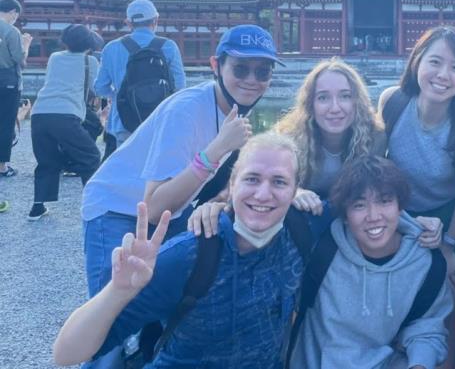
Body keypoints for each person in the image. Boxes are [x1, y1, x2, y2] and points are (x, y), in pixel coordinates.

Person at [54, 132, 327, 368]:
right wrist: (117, 291)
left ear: (295, 191)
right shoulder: (188, 255)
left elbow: (361, 208)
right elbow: (67, 353)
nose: (263, 194)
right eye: (252, 179)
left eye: (279, 182)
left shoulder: (301, 232)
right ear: (232, 185)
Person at [81, 25, 278, 315]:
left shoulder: (233, 114)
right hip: (117, 207)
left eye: (262, 72)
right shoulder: (186, 110)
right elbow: (155, 203)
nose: (251, 80)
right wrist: (217, 149)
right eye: (241, 69)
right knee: (112, 314)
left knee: (171, 305)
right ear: (216, 65)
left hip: (173, 210)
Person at [290, 156, 453, 369]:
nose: (373, 216)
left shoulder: (425, 263)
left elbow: (427, 328)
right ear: (345, 215)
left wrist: (419, 364)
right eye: (359, 205)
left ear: (400, 206)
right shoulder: (321, 245)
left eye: (384, 201)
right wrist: (293, 193)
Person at [377, 26, 455, 279]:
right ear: (417, 61)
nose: (443, 75)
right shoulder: (392, 102)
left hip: (446, 215)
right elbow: (374, 170)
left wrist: (448, 245)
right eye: (435, 62)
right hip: (395, 210)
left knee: (444, 290)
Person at [276, 58, 385, 210]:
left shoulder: (374, 137)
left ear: (357, 102)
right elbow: (268, 183)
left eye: (345, 96)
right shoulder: (288, 139)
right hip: (304, 216)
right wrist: (293, 191)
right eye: (323, 98)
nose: (335, 108)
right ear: (310, 104)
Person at [27, 25, 101, 221]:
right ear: (89, 43)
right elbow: (95, 87)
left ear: (65, 41)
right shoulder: (90, 61)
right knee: (91, 156)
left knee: (46, 159)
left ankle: (37, 207)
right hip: (66, 114)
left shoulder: (54, 57)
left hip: (40, 113)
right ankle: (92, 204)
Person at [94, 0, 186, 149]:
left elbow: (100, 87)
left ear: (128, 23)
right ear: (156, 20)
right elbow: (180, 87)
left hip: (124, 121)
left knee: (127, 169)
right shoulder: (168, 46)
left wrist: (117, 95)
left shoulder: (111, 48)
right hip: (160, 120)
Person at [0, 0, 32, 177]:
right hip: (7, 81)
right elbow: (20, 60)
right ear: (13, 12)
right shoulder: (11, 31)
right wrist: (26, 44)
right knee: (4, 123)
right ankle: (2, 166)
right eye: (16, 16)